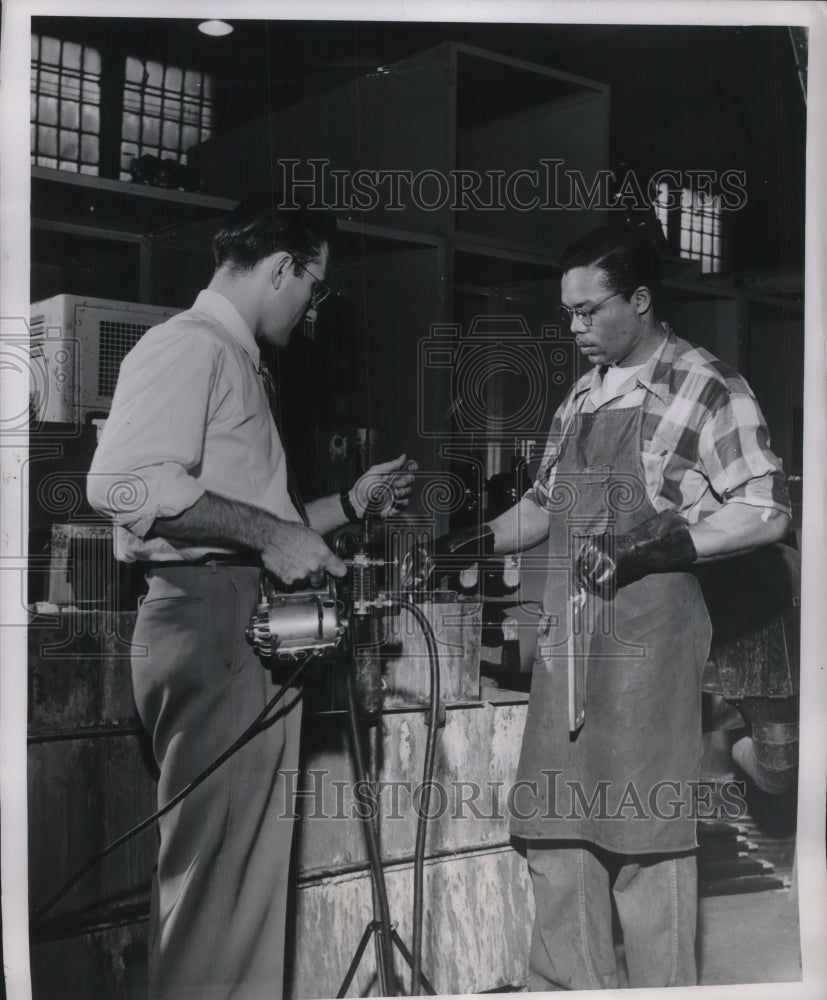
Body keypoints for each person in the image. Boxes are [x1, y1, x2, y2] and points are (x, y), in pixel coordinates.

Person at [435, 225, 790, 990]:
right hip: (568, 643)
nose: (573, 330)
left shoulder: (707, 386)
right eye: (566, 313)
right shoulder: (583, 394)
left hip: (650, 641)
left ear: (639, 299)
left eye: (589, 312)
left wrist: (651, 551)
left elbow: (763, 509)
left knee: (644, 846)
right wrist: (471, 541)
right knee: (554, 836)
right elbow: (542, 502)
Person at [87, 198, 415, 1000]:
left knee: (238, 879)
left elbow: (257, 519)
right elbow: (121, 484)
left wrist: (347, 505)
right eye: (315, 286)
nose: (312, 307)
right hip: (213, 623)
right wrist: (272, 540)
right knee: (219, 885)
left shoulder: (233, 360)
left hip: (235, 619)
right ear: (280, 269)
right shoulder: (189, 347)